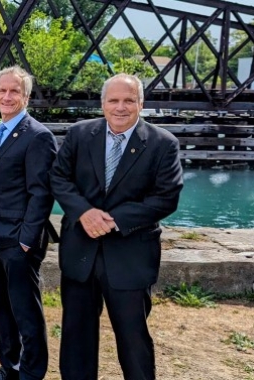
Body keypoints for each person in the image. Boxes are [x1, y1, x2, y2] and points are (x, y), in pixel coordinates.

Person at [50, 73, 183, 380]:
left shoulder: (163, 144)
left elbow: (166, 198)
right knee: (76, 337)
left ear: (141, 103)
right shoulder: (80, 134)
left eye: (128, 100)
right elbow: (58, 177)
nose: (120, 107)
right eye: (114, 100)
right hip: (81, 252)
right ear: (102, 103)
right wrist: (84, 212)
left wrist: (113, 221)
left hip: (130, 256)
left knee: (133, 338)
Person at [0, 66, 58, 380]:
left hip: (18, 239)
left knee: (25, 311)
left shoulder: (38, 136)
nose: (7, 96)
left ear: (25, 96)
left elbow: (42, 192)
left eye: (14, 91)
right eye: (2, 90)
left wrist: (26, 238)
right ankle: (9, 367)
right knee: (0, 307)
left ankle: (31, 373)